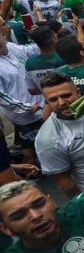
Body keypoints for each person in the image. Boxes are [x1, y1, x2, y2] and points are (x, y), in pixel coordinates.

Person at [0, 30, 44, 165]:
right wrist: (25, 108)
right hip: (24, 112)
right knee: (30, 141)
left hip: (39, 104)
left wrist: (38, 35)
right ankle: (33, 168)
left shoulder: (13, 48)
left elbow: (33, 50)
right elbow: (1, 96)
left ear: (4, 38)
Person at [24, 26, 63, 95]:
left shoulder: (29, 63)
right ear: (54, 39)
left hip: (47, 102)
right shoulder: (62, 58)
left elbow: (32, 91)